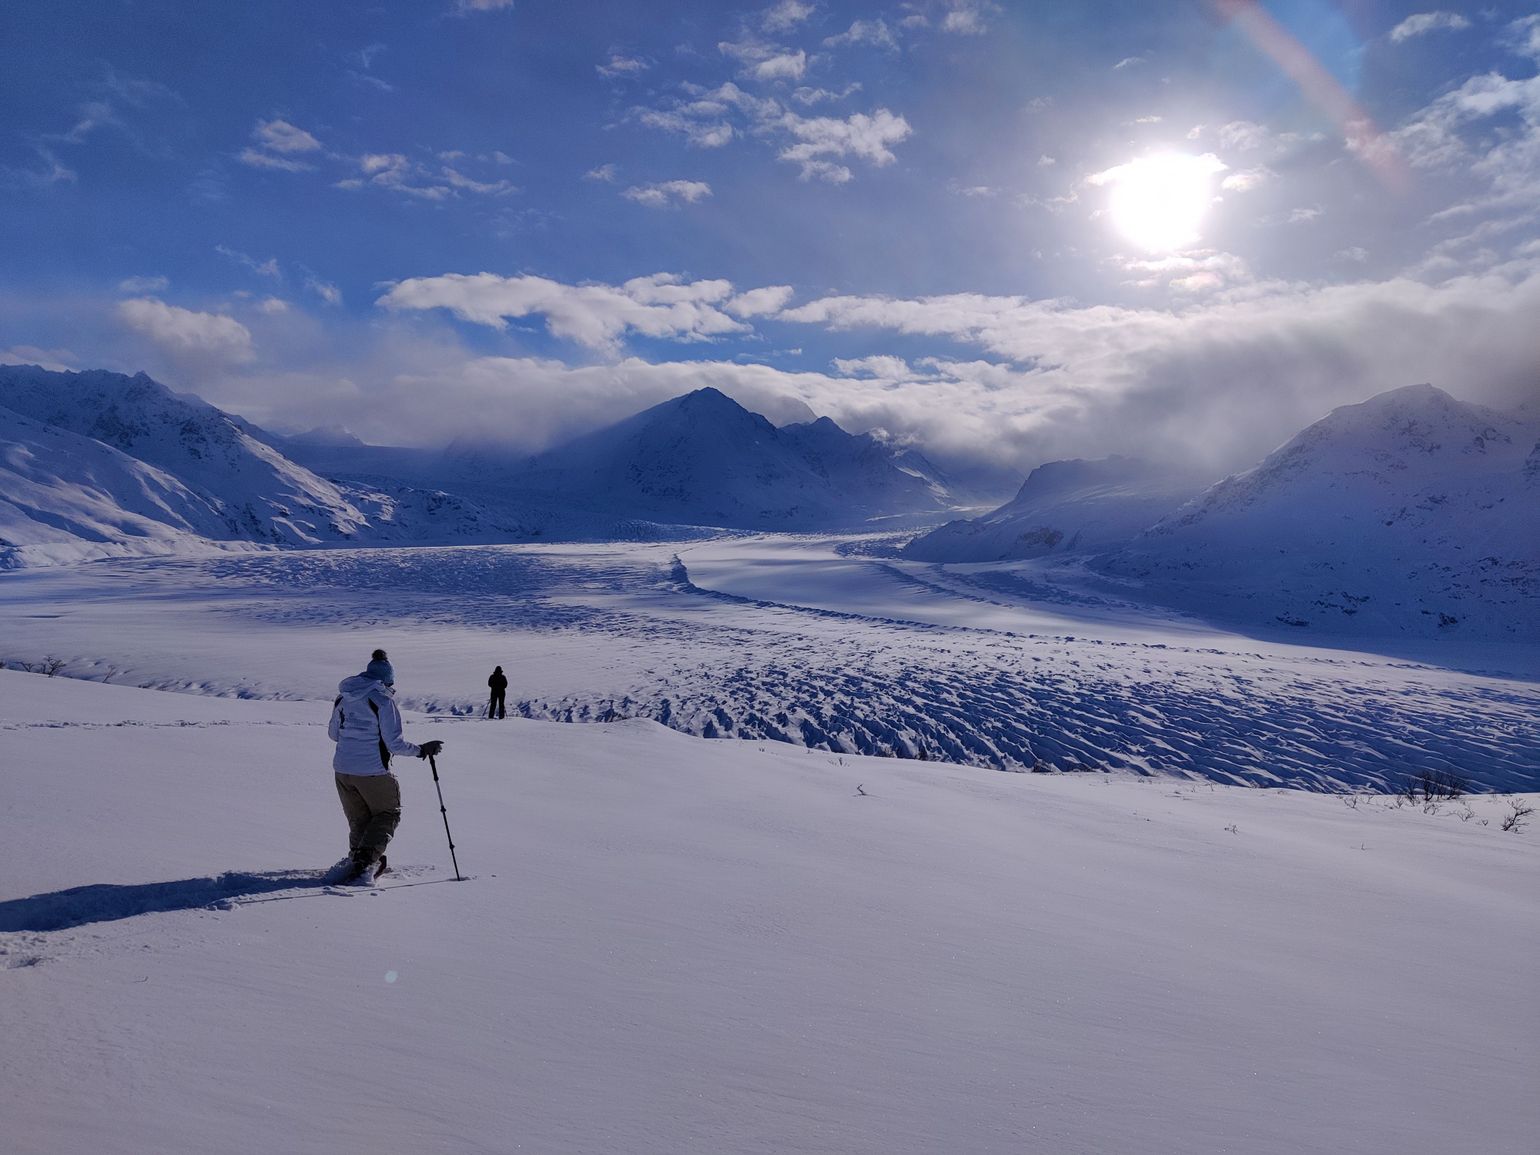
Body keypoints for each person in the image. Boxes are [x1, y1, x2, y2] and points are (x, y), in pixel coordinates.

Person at [328, 648, 443, 880]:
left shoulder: (343, 697)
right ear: (387, 680)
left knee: (360, 819)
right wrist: (422, 750)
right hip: (372, 770)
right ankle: (364, 864)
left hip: (342, 769)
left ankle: (356, 860)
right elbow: (394, 744)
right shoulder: (381, 700)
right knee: (388, 813)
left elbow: (333, 734)